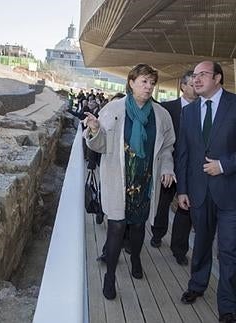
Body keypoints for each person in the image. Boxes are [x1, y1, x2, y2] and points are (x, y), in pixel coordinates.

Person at [175, 61, 236, 323]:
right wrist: (182, 190)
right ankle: (197, 285)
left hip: (232, 194)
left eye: (202, 74)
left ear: (218, 78)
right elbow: (183, 154)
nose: (196, 79)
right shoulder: (189, 112)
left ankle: (227, 307)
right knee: (201, 243)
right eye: (194, 75)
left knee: (228, 250)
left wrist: (223, 165)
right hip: (199, 192)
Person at [84, 63, 176, 300]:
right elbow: (101, 144)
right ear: (131, 82)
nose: (148, 87)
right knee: (116, 227)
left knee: (137, 227)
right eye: (144, 81)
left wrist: (167, 168)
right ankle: (110, 276)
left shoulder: (162, 115)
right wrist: (94, 131)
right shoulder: (113, 109)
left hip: (145, 183)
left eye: (152, 83)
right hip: (118, 181)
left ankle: (136, 258)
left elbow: (167, 148)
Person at [150, 70, 198, 267]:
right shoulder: (167, 109)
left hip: (192, 168)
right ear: (183, 87)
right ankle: (157, 233)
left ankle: (179, 249)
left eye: (198, 84)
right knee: (163, 201)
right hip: (169, 163)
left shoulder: (205, 111)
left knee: (185, 208)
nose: (196, 88)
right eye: (192, 84)